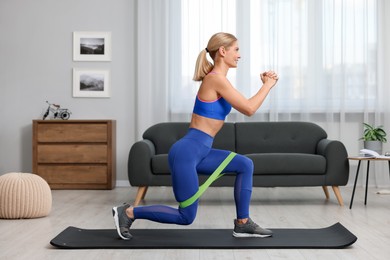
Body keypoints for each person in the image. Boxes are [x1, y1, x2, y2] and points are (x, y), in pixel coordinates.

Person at [113, 32, 278, 240]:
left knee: (245, 164)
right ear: (223, 51)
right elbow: (249, 108)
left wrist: (265, 86)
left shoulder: (220, 80)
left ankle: (243, 223)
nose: (239, 55)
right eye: (236, 50)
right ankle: (128, 212)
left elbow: (245, 105)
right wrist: (267, 85)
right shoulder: (215, 79)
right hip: (187, 153)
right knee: (186, 216)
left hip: (201, 151)